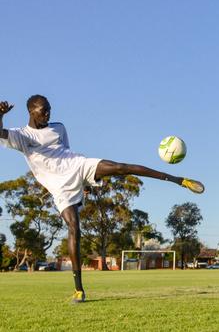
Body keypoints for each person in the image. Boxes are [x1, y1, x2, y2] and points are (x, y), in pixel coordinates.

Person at [0, 95, 204, 303]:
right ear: (31, 111)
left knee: (120, 167)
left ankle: (179, 180)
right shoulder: (22, 136)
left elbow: (66, 152)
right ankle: (79, 289)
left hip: (77, 165)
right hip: (59, 187)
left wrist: (84, 183)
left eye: (49, 109)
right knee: (74, 228)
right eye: (43, 110)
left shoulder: (58, 127)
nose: (48, 113)